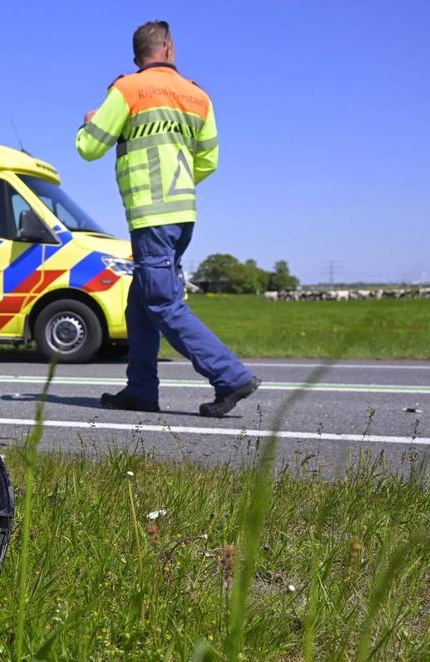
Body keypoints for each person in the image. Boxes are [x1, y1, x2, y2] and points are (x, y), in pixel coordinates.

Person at [75, 20, 260, 417]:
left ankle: (230, 376)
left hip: (151, 216)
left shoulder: (127, 90)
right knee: (140, 304)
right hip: (183, 215)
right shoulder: (198, 96)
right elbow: (208, 160)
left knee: (162, 303)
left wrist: (90, 122)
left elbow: (89, 149)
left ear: (136, 56)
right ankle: (141, 390)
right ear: (169, 49)